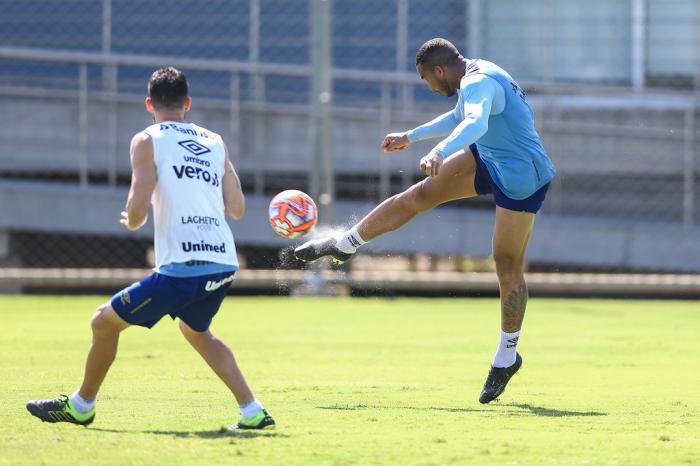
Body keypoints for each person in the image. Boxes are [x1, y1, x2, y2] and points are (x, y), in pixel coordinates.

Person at [295, 38, 556, 404]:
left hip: (521, 175)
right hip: (491, 157)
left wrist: (438, 151)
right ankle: (344, 245)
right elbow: (460, 116)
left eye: (425, 79)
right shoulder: (472, 72)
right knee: (418, 196)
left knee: (506, 264)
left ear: (439, 71)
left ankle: (507, 356)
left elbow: (476, 121)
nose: (428, 86)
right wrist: (411, 136)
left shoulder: (478, 82)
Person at [27, 67, 275, 430]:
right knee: (197, 333)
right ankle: (252, 412)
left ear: (149, 104)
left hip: (183, 267)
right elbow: (236, 209)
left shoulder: (147, 139)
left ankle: (81, 406)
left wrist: (130, 219)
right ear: (187, 103)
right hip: (222, 262)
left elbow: (138, 205)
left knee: (102, 323)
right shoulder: (215, 141)